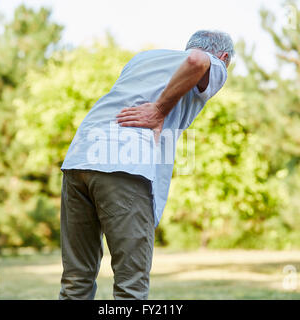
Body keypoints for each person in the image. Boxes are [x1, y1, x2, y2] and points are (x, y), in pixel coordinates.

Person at [59, 30, 234, 300]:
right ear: (223, 57)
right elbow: (198, 61)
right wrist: (159, 110)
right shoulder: (215, 63)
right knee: (131, 284)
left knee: (76, 279)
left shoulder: (144, 59)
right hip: (123, 162)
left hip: (80, 155)